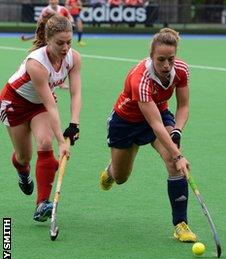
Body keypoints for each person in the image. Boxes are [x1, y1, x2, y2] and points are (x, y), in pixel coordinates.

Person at [100, 28, 197, 243]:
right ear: (151, 56)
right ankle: (110, 171)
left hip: (159, 112)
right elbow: (155, 126)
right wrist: (180, 155)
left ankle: (181, 224)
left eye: (170, 59)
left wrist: (177, 132)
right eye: (160, 59)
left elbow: (183, 106)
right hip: (125, 122)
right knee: (121, 177)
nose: (166, 65)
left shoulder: (180, 70)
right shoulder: (140, 79)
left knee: (172, 161)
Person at [0, 14, 81, 222]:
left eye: (69, 42)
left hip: (38, 106)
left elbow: (75, 93)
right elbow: (51, 105)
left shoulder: (73, 58)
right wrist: (62, 142)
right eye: (60, 43)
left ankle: (42, 203)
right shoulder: (36, 64)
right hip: (14, 104)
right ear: (48, 40)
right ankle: (23, 172)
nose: (65, 48)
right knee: (24, 157)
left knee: (45, 143)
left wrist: (74, 124)